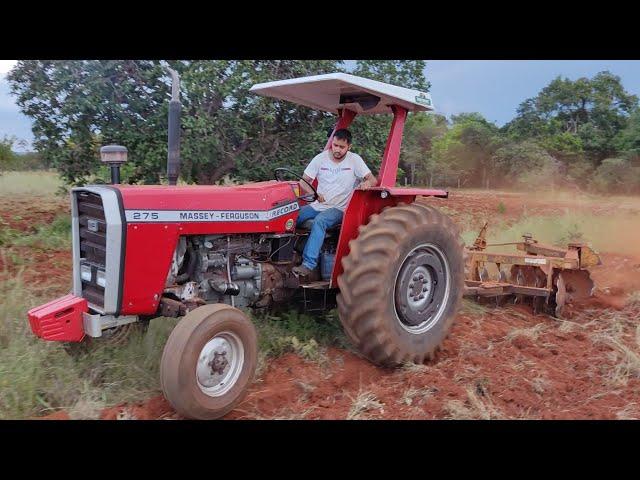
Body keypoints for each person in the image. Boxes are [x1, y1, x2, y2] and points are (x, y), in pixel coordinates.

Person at [292, 129, 377, 277]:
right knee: (292, 216)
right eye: (335, 145)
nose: (337, 150)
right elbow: (303, 182)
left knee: (320, 221)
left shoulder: (355, 160)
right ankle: (290, 252)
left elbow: (372, 180)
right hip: (318, 204)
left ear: (349, 147)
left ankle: (308, 264)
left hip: (339, 208)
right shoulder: (320, 158)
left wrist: (367, 183)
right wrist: (314, 194)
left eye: (341, 147)